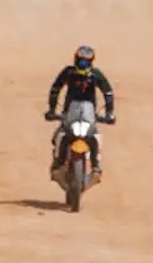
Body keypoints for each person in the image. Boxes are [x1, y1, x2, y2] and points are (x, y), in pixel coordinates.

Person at [45, 45, 116, 175]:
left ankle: (95, 165)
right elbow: (55, 89)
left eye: (86, 61)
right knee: (60, 136)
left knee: (94, 136)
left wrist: (109, 113)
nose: (82, 64)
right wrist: (52, 110)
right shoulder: (69, 72)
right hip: (69, 113)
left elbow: (108, 93)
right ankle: (58, 162)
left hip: (89, 114)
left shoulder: (96, 75)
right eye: (80, 61)